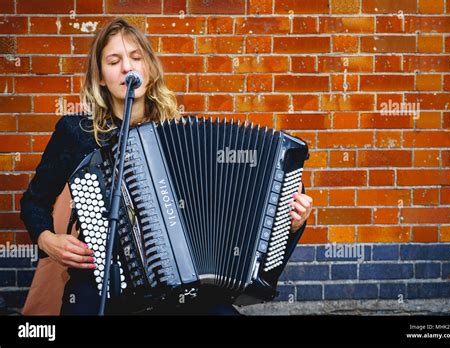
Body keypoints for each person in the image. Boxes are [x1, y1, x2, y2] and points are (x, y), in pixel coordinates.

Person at [20, 18, 313, 316]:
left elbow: (244, 213)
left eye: (136, 58)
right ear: (100, 77)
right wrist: (48, 239)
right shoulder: (77, 133)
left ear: (149, 68)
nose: (126, 68)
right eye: (114, 61)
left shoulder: (187, 135)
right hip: (104, 283)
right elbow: (34, 201)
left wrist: (290, 223)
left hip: (187, 291)